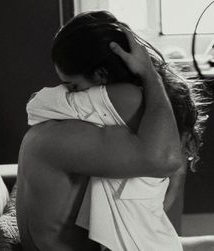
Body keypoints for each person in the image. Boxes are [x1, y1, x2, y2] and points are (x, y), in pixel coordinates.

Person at [16, 11, 210, 251]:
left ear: (101, 76)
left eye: (73, 85)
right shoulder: (59, 137)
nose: (72, 94)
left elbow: (153, 214)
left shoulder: (97, 135)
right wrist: (148, 73)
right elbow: (165, 159)